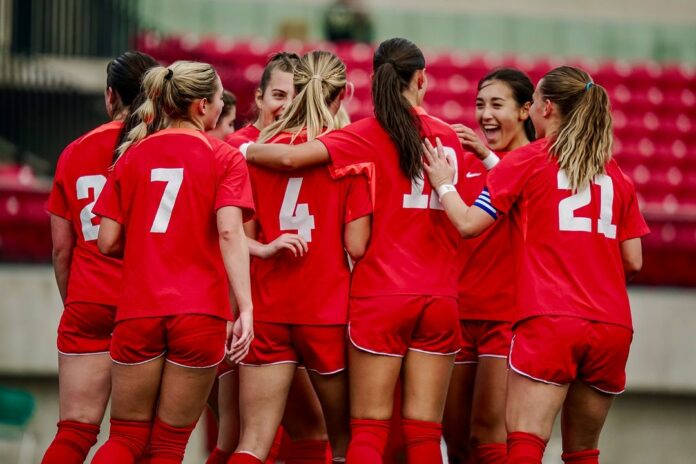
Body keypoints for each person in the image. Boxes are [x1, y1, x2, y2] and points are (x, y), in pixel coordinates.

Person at [246, 37, 481, 464]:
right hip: (441, 297)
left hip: (381, 297)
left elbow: (291, 160)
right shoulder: (450, 139)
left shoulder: (364, 135)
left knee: (368, 431)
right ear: (422, 80)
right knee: (426, 433)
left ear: (374, 82)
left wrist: (242, 147)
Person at [422, 66, 649, 464]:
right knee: (583, 453)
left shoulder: (529, 159)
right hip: (613, 325)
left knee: (525, 443)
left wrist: (443, 183)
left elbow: (468, 224)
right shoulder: (614, 173)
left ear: (543, 107)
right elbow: (633, 260)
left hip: (550, 320)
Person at [90, 60, 255, 464]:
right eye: (218, 100)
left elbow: (107, 240)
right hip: (199, 313)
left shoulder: (132, 154)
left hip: (139, 309)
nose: (219, 107)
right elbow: (231, 232)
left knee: (125, 437)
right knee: (168, 445)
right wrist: (247, 307)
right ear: (203, 106)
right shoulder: (224, 157)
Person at [229, 50, 372, 464]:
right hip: (325, 311)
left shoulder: (258, 151)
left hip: (268, 308)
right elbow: (357, 245)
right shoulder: (347, 155)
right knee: (344, 442)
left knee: (252, 442)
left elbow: (244, 236)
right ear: (341, 95)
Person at [211, 51, 336, 464]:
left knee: (293, 431)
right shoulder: (242, 149)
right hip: (240, 312)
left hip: (262, 312)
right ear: (259, 97)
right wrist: (262, 249)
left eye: (295, 94)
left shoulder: (284, 147)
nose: (286, 104)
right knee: (240, 437)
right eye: (278, 94)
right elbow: (221, 231)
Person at [42, 51, 158, 464]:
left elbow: (61, 248)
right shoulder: (160, 151)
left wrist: (74, 301)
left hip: (87, 299)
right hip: (145, 305)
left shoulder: (74, 152)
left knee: (74, 431)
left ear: (111, 96)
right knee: (137, 439)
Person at [443, 68, 535, 464]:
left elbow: (530, 203)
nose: (485, 115)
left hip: (508, 317)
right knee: (455, 437)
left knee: (490, 437)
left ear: (526, 110)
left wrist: (488, 158)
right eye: (480, 105)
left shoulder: (537, 161)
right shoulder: (464, 164)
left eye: (498, 104)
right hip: (460, 312)